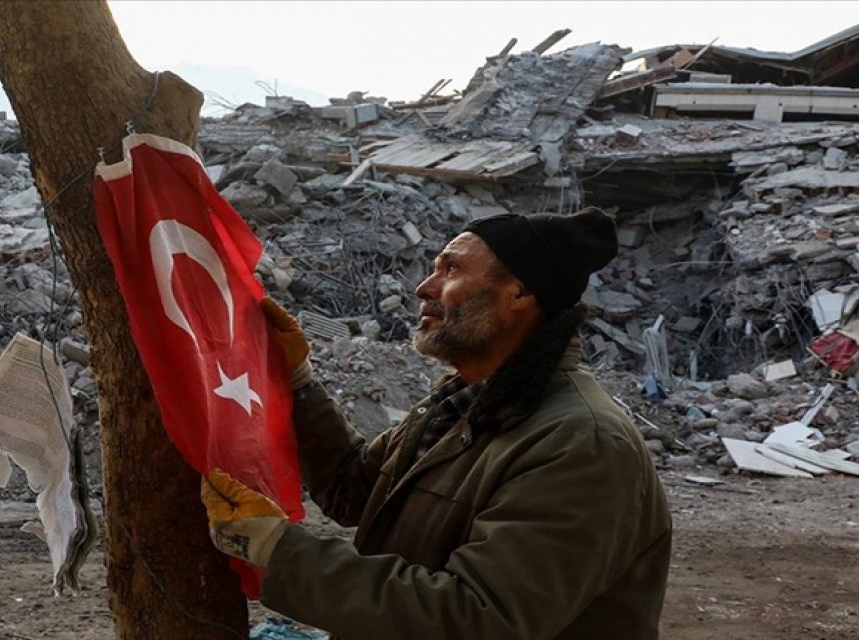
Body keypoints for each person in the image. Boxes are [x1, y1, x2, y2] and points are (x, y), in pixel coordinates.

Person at [201, 208, 672, 640]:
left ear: (521, 292)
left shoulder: (579, 442)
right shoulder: (466, 403)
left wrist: (279, 551)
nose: (423, 288)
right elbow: (355, 490)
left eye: (451, 269)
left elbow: (477, 616)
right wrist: (298, 383)